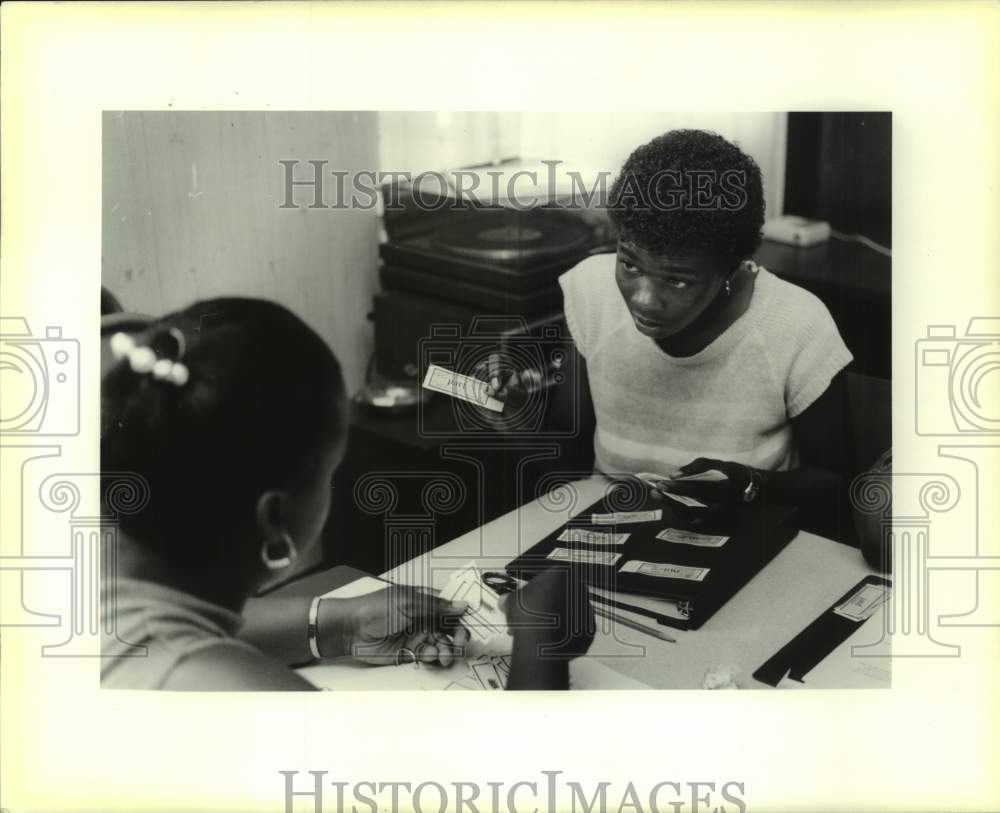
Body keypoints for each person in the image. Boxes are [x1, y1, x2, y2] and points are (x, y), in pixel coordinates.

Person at [100, 297, 593, 690]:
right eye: (331, 474)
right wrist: (540, 644)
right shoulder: (244, 698)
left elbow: (163, 629)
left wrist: (340, 624)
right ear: (275, 520)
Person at [490, 130, 855, 538]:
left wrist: (749, 484)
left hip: (745, 537)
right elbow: (571, 462)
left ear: (730, 269)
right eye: (630, 265)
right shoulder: (592, 291)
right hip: (610, 531)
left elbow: (837, 485)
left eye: (677, 281)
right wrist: (517, 417)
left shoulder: (794, 323)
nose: (644, 300)